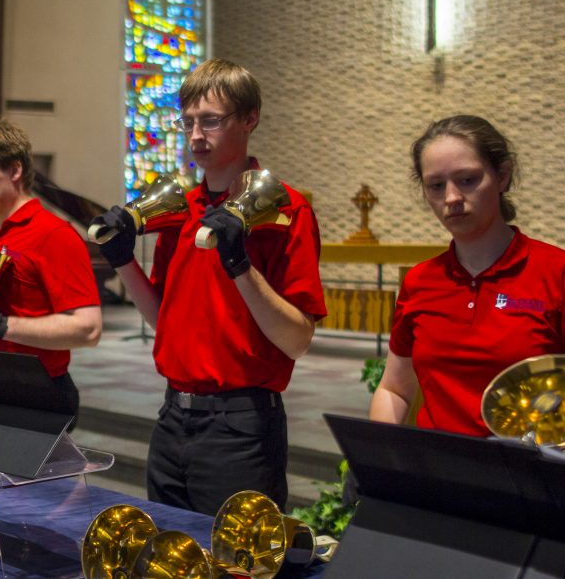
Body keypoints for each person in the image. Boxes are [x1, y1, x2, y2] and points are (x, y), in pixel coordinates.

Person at [93, 58, 326, 515]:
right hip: (171, 419)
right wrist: (121, 260)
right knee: (170, 554)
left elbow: (297, 340)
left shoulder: (286, 211)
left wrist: (239, 264)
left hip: (241, 428)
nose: (196, 136)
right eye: (188, 122)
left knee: (233, 566)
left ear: (249, 119)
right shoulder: (180, 210)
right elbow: (165, 321)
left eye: (211, 121)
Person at [369, 115, 565, 436]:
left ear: (502, 176)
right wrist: (380, 456)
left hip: (527, 476)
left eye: (468, 180)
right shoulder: (420, 282)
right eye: (436, 185)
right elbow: (395, 389)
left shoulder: (555, 272)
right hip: (438, 472)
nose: (451, 198)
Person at [0, 119, 102, 427]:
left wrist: (3, 325)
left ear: (15, 171)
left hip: (36, 397)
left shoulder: (53, 234)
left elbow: (88, 329)